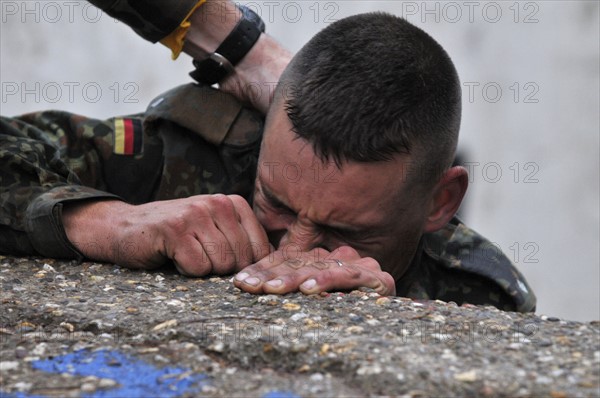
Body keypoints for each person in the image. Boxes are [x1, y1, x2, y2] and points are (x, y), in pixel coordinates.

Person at [0, 0, 536, 312]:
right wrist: (107, 223)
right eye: (274, 202)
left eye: (348, 232)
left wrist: (395, 318)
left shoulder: (479, 294)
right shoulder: (184, 158)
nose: (294, 248)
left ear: (440, 202)